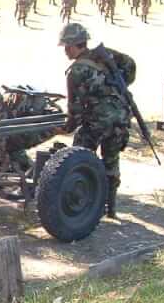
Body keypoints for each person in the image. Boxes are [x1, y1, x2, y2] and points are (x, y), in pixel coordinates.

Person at [58, 23, 136, 218]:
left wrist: (66, 128)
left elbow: (74, 111)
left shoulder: (75, 71)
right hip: (121, 117)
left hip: (98, 121)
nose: (65, 51)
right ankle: (111, 208)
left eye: (66, 47)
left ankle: (87, 205)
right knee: (111, 161)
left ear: (73, 45)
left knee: (78, 159)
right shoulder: (105, 56)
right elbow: (130, 66)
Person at [0, 79, 57, 173]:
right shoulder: (8, 96)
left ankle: (30, 170)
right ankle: (27, 169)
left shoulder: (4, 104)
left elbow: (3, 136)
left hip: (48, 126)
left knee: (11, 145)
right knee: (10, 143)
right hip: (47, 122)